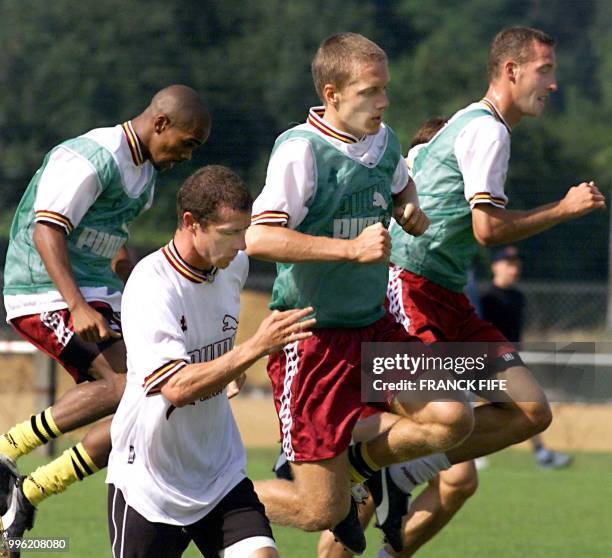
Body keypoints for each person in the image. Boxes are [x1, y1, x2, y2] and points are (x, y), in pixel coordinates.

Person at [362, 26, 605, 557]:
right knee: (423, 463)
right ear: (511, 71)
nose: (555, 84)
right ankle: (377, 473)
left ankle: (395, 476)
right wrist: (562, 210)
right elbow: (487, 231)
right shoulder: (488, 130)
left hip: (447, 296)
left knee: (531, 410)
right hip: (408, 288)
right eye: (546, 70)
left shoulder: (475, 126)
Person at [246, 32, 474, 555]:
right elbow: (259, 237)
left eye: (385, 89)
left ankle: (360, 467)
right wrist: (348, 250)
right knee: (319, 512)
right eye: (371, 91)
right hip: (312, 340)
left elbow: (400, 188)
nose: (384, 101)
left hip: (373, 327)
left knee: (453, 417)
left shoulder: (385, 140)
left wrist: (410, 210)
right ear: (332, 93)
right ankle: (210, 499)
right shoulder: (301, 151)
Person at [0, 85, 210, 545]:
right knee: (122, 386)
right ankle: (6, 451)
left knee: (150, 400)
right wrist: (75, 305)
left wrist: (136, 284)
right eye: (187, 142)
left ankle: (32, 490)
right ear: (160, 124)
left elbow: (110, 238)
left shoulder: (145, 176)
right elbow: (46, 230)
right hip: (43, 291)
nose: (187, 155)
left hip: (99, 295)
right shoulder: (92, 157)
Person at [106, 165, 314, 558]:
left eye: (245, 230)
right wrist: (250, 350)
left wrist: (228, 368)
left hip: (219, 474)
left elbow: (211, 350)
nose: (243, 244)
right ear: (191, 223)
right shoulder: (152, 285)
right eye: (230, 233)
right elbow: (177, 387)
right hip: (150, 483)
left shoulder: (233, 265)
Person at [482, 246, 572, 469]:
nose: (514, 269)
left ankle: (541, 453)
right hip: (485, 359)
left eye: (517, 265)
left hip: (511, 359)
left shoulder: (517, 297)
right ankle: (473, 454)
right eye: (509, 264)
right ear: (495, 266)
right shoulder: (485, 297)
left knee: (529, 405)